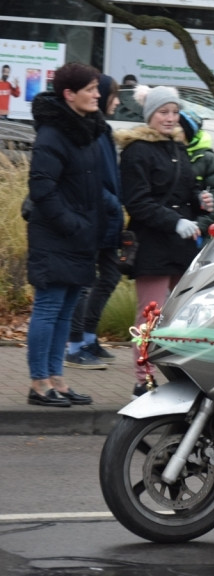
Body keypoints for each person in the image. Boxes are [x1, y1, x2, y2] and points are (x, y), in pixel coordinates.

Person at [117, 85, 212, 398]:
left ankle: (181, 372)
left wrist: (201, 201)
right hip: (152, 245)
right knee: (150, 315)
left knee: (183, 313)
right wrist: (175, 221)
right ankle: (142, 378)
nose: (170, 118)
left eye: (174, 112)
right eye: (163, 112)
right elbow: (137, 202)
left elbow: (186, 190)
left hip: (180, 246)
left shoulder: (178, 146)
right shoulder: (136, 150)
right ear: (150, 115)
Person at [25, 62, 106, 407]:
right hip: (56, 235)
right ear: (69, 94)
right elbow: (42, 188)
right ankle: (39, 383)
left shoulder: (87, 131)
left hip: (80, 234)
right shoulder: (53, 134)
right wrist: (72, 224)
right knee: (48, 308)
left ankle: (56, 378)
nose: (98, 95)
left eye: (97, 88)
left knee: (65, 311)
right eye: (90, 89)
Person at [63, 74, 124, 370]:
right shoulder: (90, 131)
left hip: (107, 217)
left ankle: (89, 336)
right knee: (85, 282)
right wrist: (111, 202)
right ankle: (75, 345)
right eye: (113, 95)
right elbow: (90, 177)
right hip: (96, 215)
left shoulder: (103, 129)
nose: (116, 102)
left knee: (110, 275)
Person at [179, 109, 214, 240]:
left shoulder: (207, 159)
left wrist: (200, 226)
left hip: (197, 232)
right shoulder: (168, 153)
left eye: (179, 128)